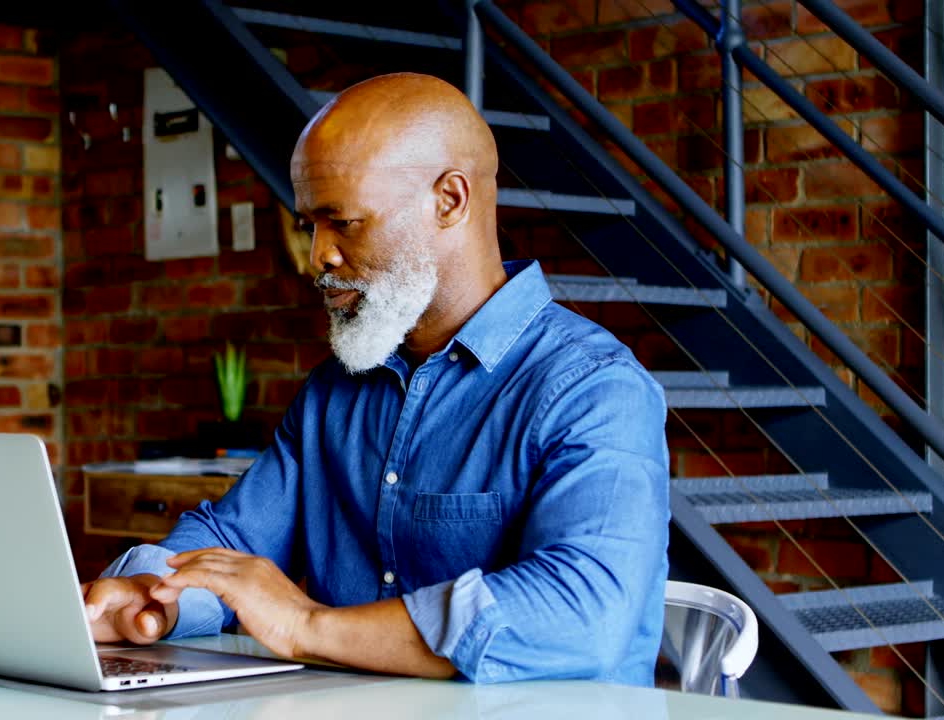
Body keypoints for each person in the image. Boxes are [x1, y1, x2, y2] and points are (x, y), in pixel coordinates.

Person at [81, 72, 670, 684]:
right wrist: (155, 593)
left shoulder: (592, 388)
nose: (318, 257)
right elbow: (231, 540)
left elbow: (583, 613)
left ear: (450, 200)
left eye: (343, 222)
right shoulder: (335, 390)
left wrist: (305, 625)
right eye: (311, 225)